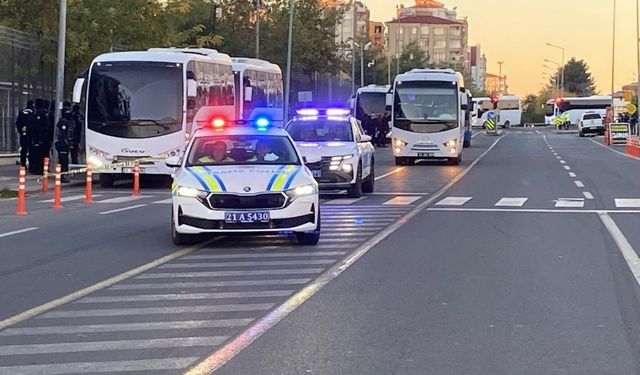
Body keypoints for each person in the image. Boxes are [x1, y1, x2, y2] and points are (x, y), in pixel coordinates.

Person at [28, 99, 50, 175]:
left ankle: (39, 169)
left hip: (40, 137)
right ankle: (42, 168)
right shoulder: (45, 113)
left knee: (38, 154)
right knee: (43, 154)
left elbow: (35, 125)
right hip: (44, 138)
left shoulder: (39, 114)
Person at [55, 105, 75, 183]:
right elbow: (64, 134)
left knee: (65, 160)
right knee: (63, 161)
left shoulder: (69, 120)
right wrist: (68, 143)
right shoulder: (63, 122)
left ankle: (63, 175)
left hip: (66, 144)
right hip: (63, 144)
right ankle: (61, 176)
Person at [15, 100, 35, 168]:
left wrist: (20, 131)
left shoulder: (22, 112)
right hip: (31, 135)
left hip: (23, 135)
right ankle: (31, 164)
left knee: (24, 150)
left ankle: (23, 164)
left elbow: (17, 123)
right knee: (31, 150)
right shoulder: (33, 112)